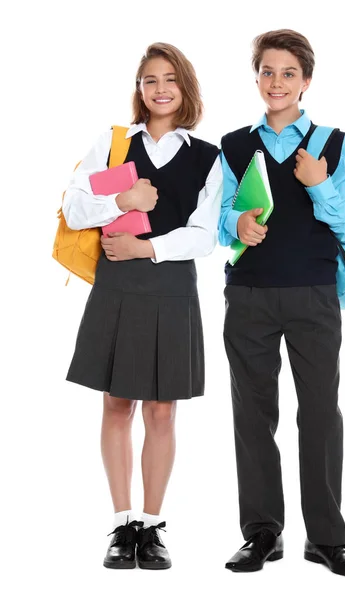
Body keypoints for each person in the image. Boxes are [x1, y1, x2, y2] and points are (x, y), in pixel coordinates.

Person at [218, 29, 345, 577]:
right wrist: (236, 222)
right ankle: (262, 533)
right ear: (256, 77)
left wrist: (318, 183)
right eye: (267, 71)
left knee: (320, 414)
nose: (276, 82)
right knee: (252, 416)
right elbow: (220, 221)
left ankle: (327, 539)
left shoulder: (333, 143)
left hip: (313, 295)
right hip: (249, 294)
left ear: (306, 81)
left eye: (288, 73)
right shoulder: (235, 144)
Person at [63, 42, 222, 570]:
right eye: (149, 80)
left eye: (169, 79)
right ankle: (121, 523)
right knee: (115, 403)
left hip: (171, 286)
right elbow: (74, 205)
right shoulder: (113, 144)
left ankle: (152, 528)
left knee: (161, 408)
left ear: (185, 88)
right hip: (117, 287)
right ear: (139, 89)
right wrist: (122, 203)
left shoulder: (208, 157)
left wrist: (146, 246)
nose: (159, 89)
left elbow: (204, 236)